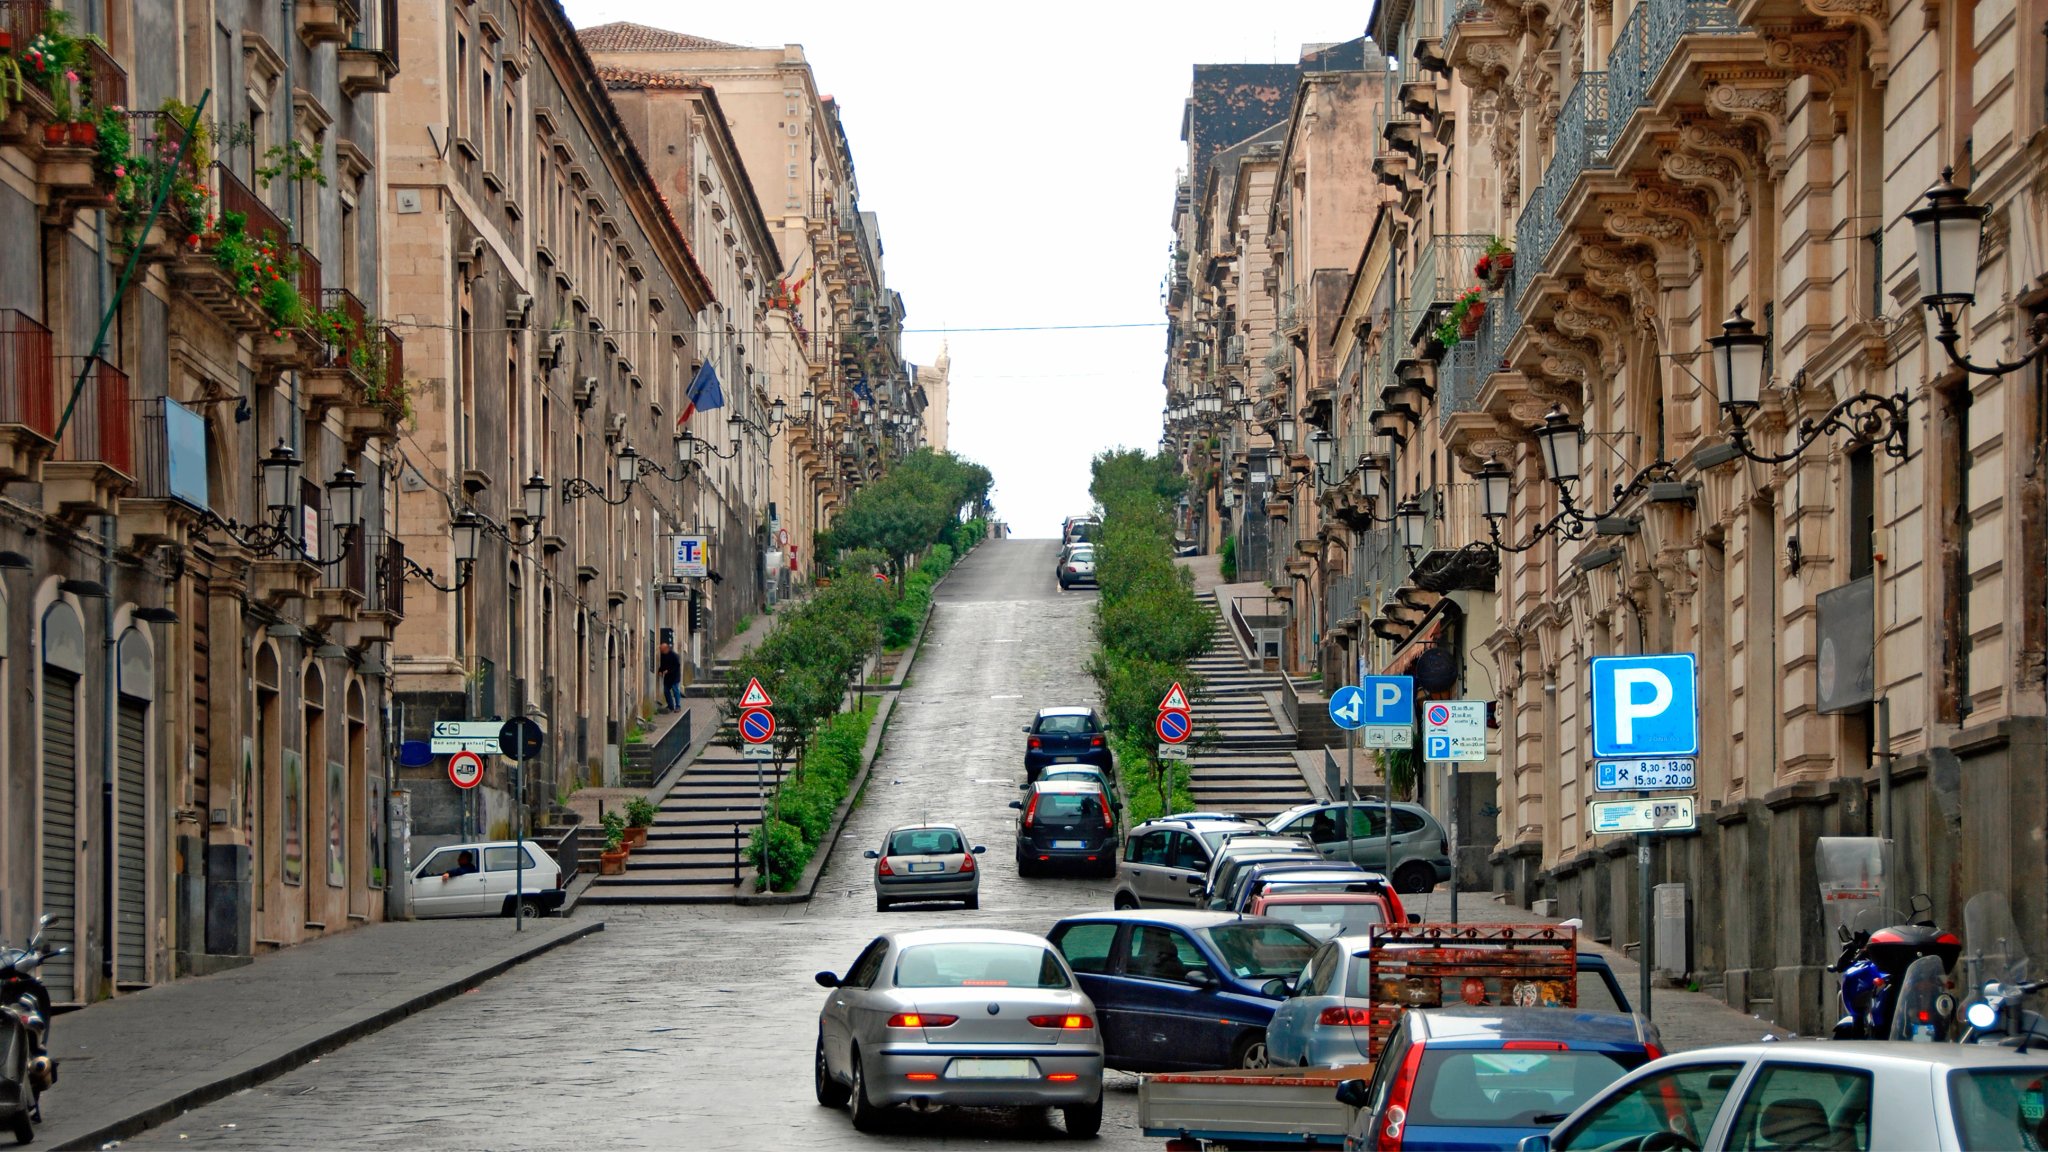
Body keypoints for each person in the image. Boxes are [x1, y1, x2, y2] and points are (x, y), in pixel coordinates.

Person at [658, 640, 682, 713]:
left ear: (666, 648)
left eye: (662, 650)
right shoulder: (662, 655)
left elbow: (677, 665)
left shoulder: (674, 655)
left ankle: (678, 706)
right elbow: (662, 665)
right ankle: (670, 705)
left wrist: (668, 671)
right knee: (666, 690)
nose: (661, 651)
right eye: (661, 650)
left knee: (675, 690)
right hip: (668, 677)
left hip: (675, 676)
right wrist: (660, 671)